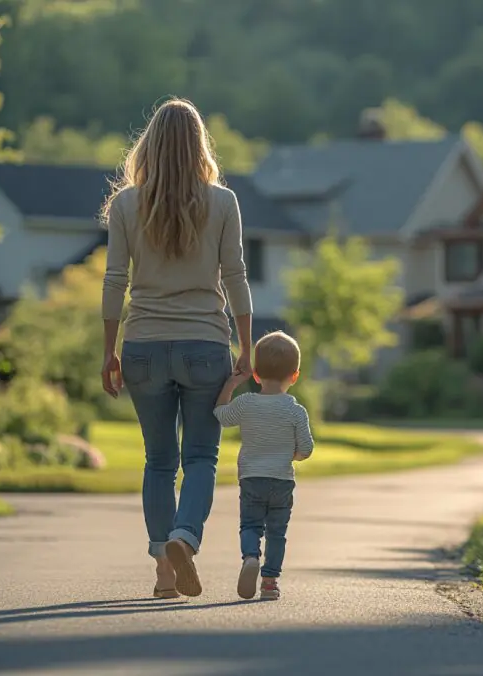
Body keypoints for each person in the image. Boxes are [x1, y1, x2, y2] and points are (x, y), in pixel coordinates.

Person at [100, 98, 253, 599]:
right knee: (203, 457)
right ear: (199, 145)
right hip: (205, 345)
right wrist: (247, 348)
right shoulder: (223, 202)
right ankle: (185, 538)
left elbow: (114, 281)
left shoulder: (125, 205)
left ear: (149, 145)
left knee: (159, 461)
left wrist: (109, 351)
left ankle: (165, 573)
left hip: (142, 344)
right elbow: (236, 278)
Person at [213, 331, 314, 601]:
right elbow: (306, 449)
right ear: (294, 375)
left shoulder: (246, 404)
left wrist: (231, 384)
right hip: (281, 480)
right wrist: (291, 456)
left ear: (256, 374)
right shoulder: (295, 410)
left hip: (251, 478)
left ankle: (249, 557)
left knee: (250, 525)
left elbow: (221, 415)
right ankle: (269, 582)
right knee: (277, 533)